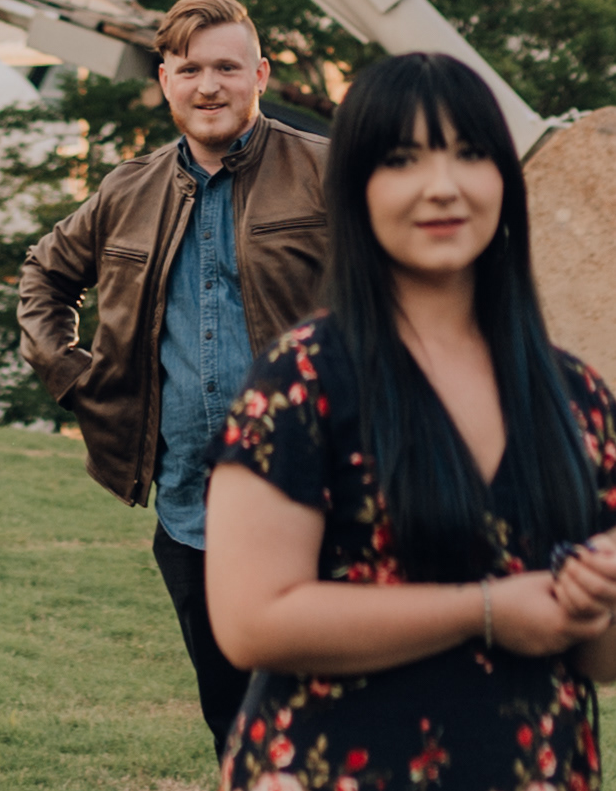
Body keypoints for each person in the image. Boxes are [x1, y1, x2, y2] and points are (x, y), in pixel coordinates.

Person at [205, 52, 616, 791]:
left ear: (505, 179)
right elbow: (250, 621)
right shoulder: (305, 378)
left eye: (470, 154)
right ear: (356, 187)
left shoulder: (577, 396)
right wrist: (483, 611)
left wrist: (597, 600)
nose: (442, 186)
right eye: (402, 159)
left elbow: (602, 660)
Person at [17, 0, 329, 758]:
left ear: (260, 74)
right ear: (165, 80)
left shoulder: (327, 173)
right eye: (190, 69)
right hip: (191, 510)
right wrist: (75, 377)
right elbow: (44, 274)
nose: (209, 85)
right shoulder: (128, 190)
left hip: (319, 499)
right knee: (235, 725)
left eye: (227, 67)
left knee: (329, 720)